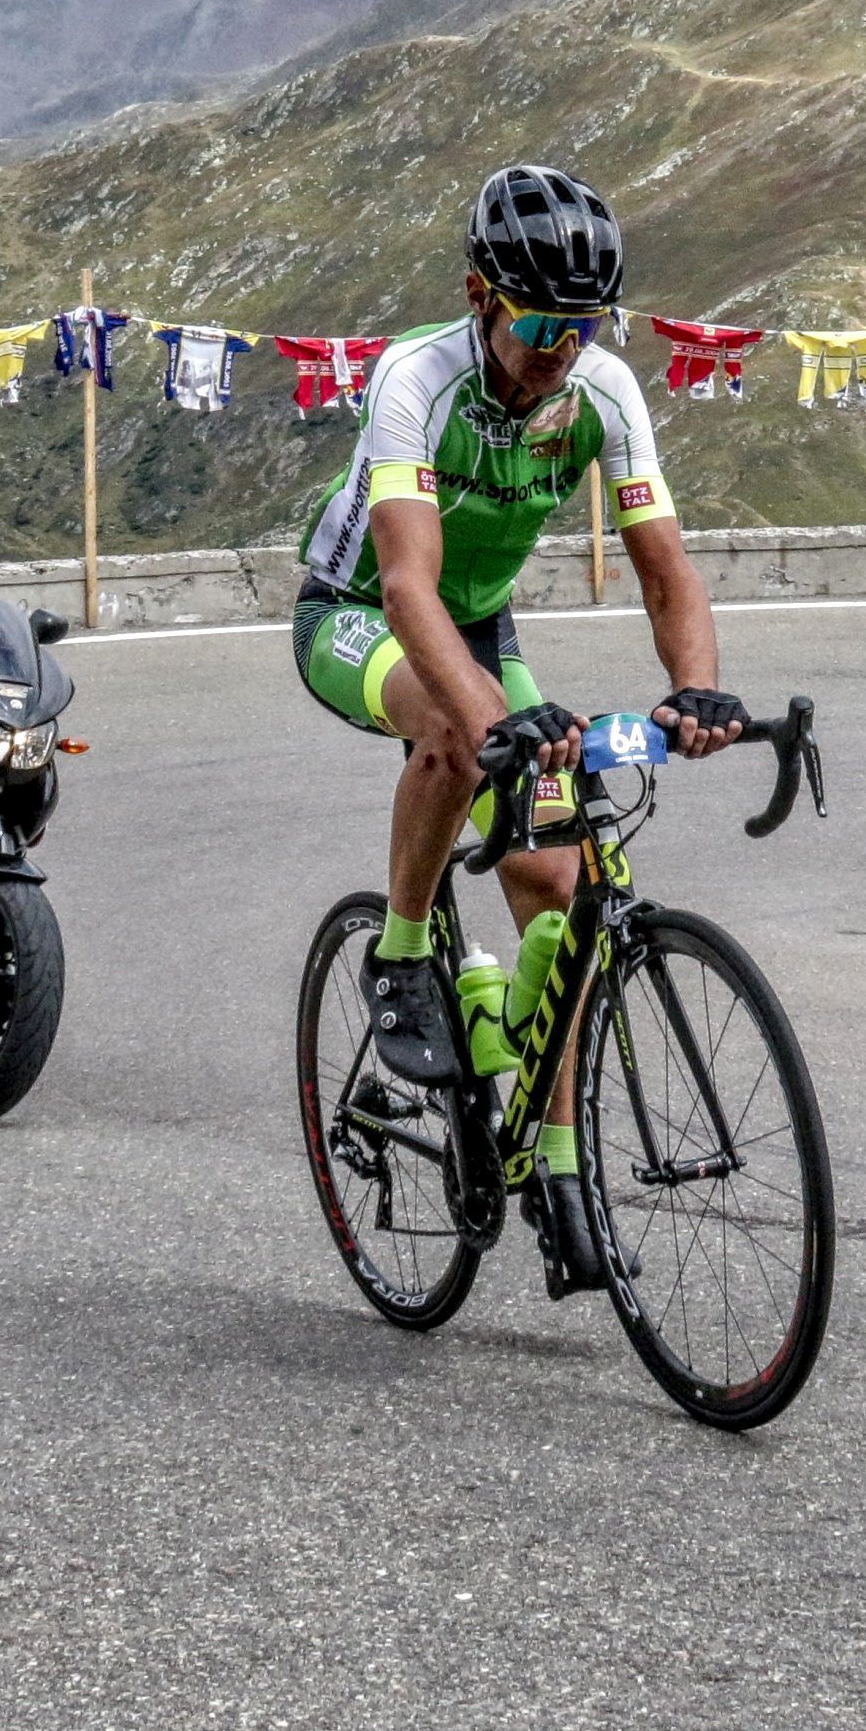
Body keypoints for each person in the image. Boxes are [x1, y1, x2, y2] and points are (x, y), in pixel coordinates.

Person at [291, 163, 748, 1288]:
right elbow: (405, 586)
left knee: (561, 888)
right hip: (357, 613)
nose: (561, 346)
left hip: (481, 627)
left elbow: (666, 569)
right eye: (540, 320)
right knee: (454, 734)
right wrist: (500, 716)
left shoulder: (601, 389)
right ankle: (402, 953)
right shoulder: (418, 376)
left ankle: (554, 1169)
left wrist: (695, 686)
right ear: (479, 293)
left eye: (584, 323)